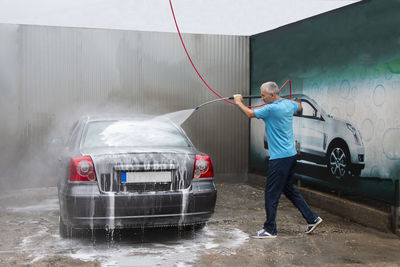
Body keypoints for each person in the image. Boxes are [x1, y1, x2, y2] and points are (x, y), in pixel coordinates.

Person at [233, 81, 322, 238]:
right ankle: (312, 218)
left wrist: (238, 102)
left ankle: (270, 229)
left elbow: (249, 113)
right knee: (288, 189)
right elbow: (300, 106)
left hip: (280, 158)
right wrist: (288, 100)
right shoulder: (288, 105)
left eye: (263, 95)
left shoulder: (271, 109)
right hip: (291, 155)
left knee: (271, 193)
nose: (261, 98)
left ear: (272, 95)